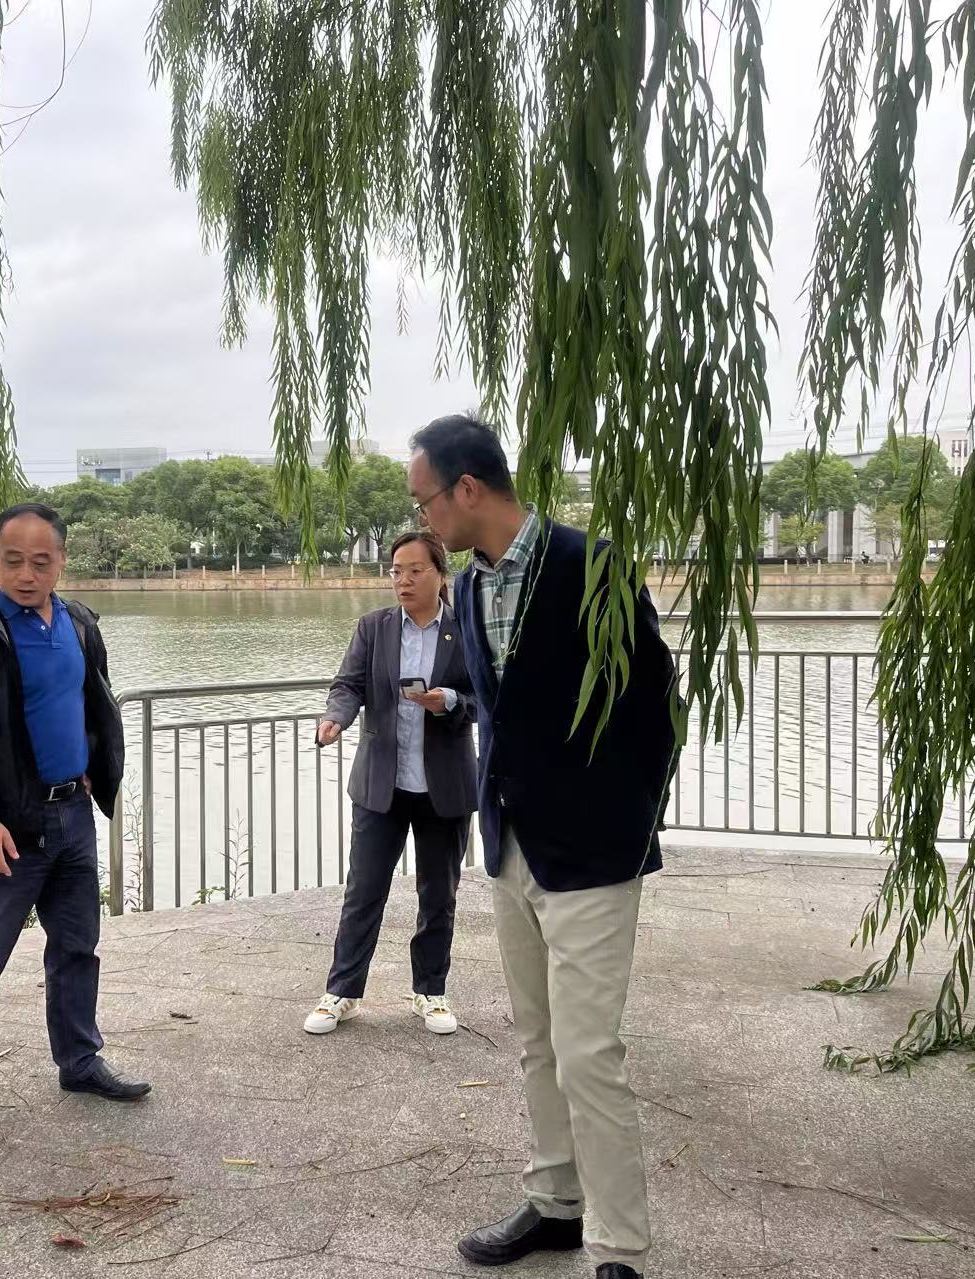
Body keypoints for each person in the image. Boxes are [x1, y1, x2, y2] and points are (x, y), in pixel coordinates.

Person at [408, 414, 678, 1279]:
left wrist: (630, 820)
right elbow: (498, 709)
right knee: (537, 1038)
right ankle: (557, 1201)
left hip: (595, 851)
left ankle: (619, 1247)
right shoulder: (469, 586)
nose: (422, 518)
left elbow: (654, 705)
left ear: (467, 489)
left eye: (424, 500)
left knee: (590, 1053)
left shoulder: (591, 565)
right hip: (512, 844)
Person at [0, 502, 149, 1140]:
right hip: (10, 828)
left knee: (76, 948)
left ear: (61, 562)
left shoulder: (79, 623)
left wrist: (96, 769)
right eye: (13, 560)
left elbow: (93, 702)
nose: (26, 574)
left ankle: (79, 1062)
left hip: (73, 815)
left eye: (40, 562)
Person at [306, 530, 477, 1036]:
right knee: (363, 891)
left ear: (440, 575)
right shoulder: (374, 627)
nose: (403, 580)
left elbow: (486, 698)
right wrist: (335, 718)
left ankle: (431, 992)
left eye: (415, 570)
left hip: (444, 786)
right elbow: (348, 685)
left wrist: (448, 701)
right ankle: (341, 992)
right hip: (381, 784)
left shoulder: (466, 629)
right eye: (396, 571)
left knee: (438, 894)